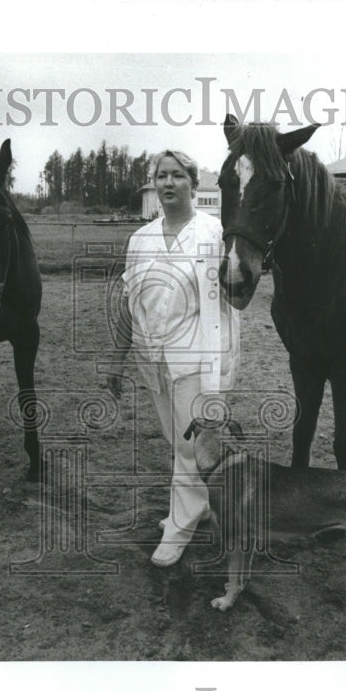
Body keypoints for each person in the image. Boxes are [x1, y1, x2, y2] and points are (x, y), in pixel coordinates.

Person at [107, 150, 240, 567]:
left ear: (193, 183)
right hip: (154, 359)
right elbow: (130, 302)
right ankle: (196, 506)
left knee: (190, 447)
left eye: (177, 176)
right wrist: (118, 358)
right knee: (174, 440)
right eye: (161, 176)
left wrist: (219, 371)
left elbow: (230, 306)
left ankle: (179, 529)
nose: (168, 183)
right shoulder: (141, 238)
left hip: (199, 359)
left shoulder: (215, 233)